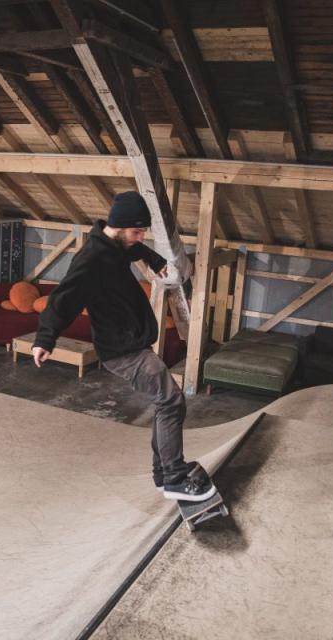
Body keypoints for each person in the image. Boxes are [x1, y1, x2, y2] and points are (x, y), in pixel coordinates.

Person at [31, 191, 216, 502]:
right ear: (118, 227)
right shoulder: (90, 260)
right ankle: (173, 477)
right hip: (122, 351)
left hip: (133, 343)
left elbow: (135, 249)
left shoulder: (118, 245)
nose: (140, 237)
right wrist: (44, 339)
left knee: (168, 402)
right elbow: (63, 299)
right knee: (171, 401)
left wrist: (154, 259)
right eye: (137, 231)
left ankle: (164, 473)